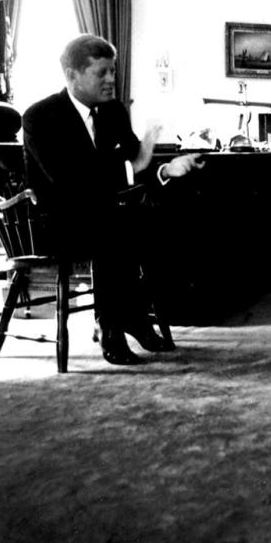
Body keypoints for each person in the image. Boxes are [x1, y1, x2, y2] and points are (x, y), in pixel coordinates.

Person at [22, 34, 204, 366]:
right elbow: (68, 179)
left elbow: (138, 163)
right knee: (115, 229)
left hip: (103, 213)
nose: (110, 80)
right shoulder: (39, 116)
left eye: (112, 72)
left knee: (156, 222)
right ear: (72, 75)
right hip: (56, 219)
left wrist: (166, 169)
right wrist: (134, 164)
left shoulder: (113, 111)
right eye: (101, 72)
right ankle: (117, 326)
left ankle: (130, 317)